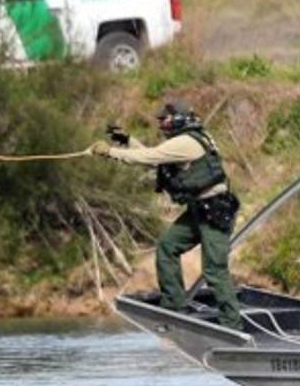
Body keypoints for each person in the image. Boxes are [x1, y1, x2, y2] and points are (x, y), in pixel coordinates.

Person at [91, 104, 243, 330]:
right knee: (167, 246)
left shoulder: (187, 142)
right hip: (199, 210)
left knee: (214, 269)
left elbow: (151, 157)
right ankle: (174, 305)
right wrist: (127, 141)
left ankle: (232, 324)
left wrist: (110, 152)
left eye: (165, 120)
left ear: (179, 119)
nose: (161, 124)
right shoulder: (186, 140)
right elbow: (157, 157)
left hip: (215, 212)